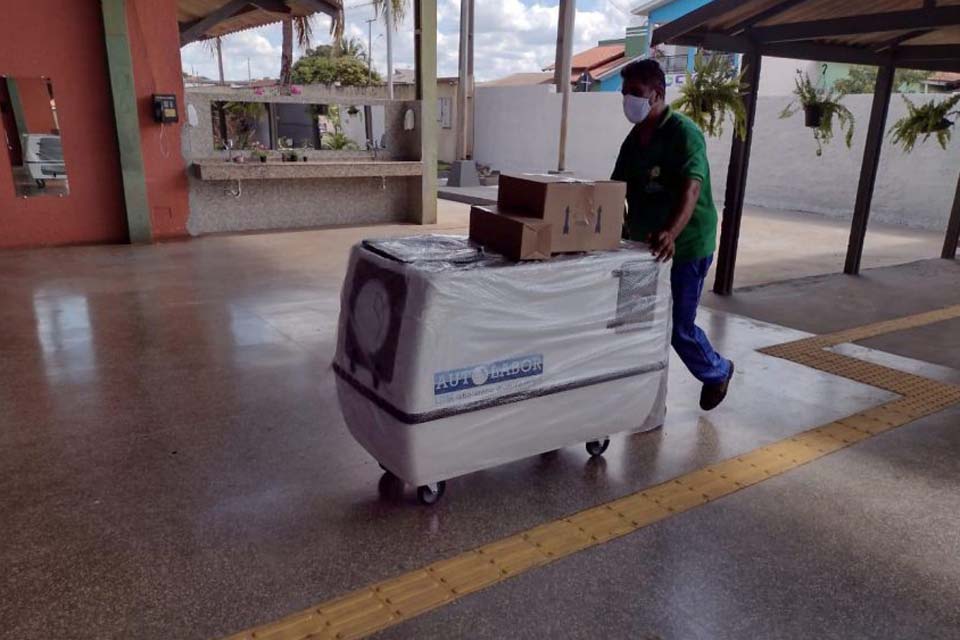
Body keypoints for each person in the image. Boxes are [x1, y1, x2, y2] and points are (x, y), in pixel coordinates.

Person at [612, 59, 734, 411]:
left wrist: (671, 232)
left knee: (679, 328)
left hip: (685, 245)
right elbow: (615, 187)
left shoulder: (683, 132)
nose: (627, 101)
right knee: (636, 323)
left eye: (635, 93)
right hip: (642, 246)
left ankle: (718, 371)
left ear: (657, 94)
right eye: (624, 93)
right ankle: (645, 397)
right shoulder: (634, 141)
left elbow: (692, 187)